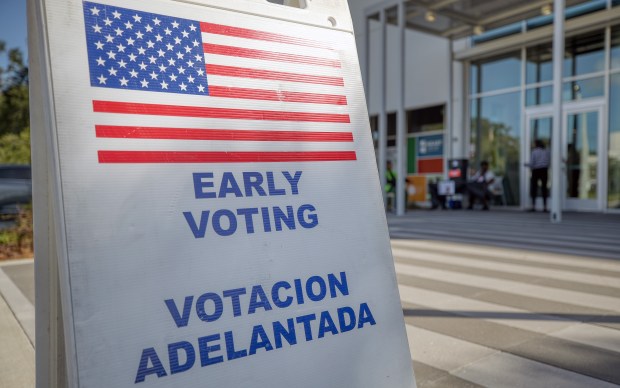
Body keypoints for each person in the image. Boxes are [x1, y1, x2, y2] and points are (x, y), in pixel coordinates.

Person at [526, 139, 551, 212]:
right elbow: (549, 161)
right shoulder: (546, 151)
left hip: (536, 170)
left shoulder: (534, 152)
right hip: (544, 170)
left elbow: (532, 163)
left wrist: (526, 165)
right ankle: (545, 207)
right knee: (544, 188)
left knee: (534, 188)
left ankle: (533, 206)